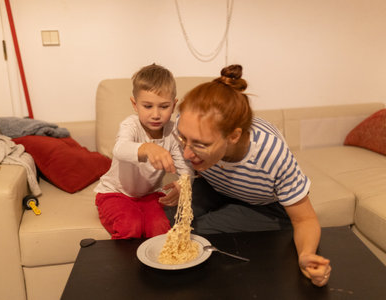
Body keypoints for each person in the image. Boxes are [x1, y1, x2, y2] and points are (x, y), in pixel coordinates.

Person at [175, 64, 331, 287]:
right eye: (183, 139)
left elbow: (305, 219)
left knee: (196, 233)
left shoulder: (272, 155)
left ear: (233, 136)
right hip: (217, 187)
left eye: (200, 144)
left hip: (264, 206)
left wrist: (305, 256)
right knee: (168, 220)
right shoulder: (187, 122)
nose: (187, 153)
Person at [94, 63, 192, 239]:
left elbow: (185, 166)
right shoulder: (130, 125)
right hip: (114, 193)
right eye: (147, 106)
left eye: (164, 106)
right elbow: (119, 149)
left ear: (174, 104)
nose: (156, 114)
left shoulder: (173, 132)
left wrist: (184, 183)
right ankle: (127, 265)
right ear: (135, 104)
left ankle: (158, 265)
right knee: (130, 225)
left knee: (161, 229)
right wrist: (147, 148)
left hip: (150, 195)